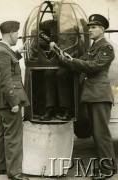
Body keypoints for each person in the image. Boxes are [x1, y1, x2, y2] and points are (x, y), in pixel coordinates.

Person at [55, 14, 117, 179]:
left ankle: (107, 170)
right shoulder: (93, 47)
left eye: (94, 27)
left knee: (100, 133)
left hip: (99, 95)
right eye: (89, 28)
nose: (90, 30)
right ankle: (110, 166)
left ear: (102, 29)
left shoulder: (106, 48)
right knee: (98, 133)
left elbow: (92, 66)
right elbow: (79, 62)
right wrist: (64, 57)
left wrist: (72, 61)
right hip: (92, 95)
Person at [0, 21, 30, 180]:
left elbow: (10, 64)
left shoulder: (5, 50)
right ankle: (15, 173)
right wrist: (14, 102)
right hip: (9, 101)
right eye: (17, 34)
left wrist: (19, 51)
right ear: (10, 33)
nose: (18, 37)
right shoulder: (2, 52)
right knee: (13, 136)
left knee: (4, 134)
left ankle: (3, 167)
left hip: (4, 100)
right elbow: (6, 80)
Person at [39, 2, 75, 121]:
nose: (53, 14)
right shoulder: (51, 24)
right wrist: (48, 40)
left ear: (63, 13)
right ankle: (50, 108)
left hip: (69, 58)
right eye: (52, 12)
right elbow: (38, 28)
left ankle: (67, 109)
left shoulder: (73, 24)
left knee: (62, 74)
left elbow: (75, 43)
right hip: (56, 59)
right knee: (48, 74)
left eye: (55, 12)